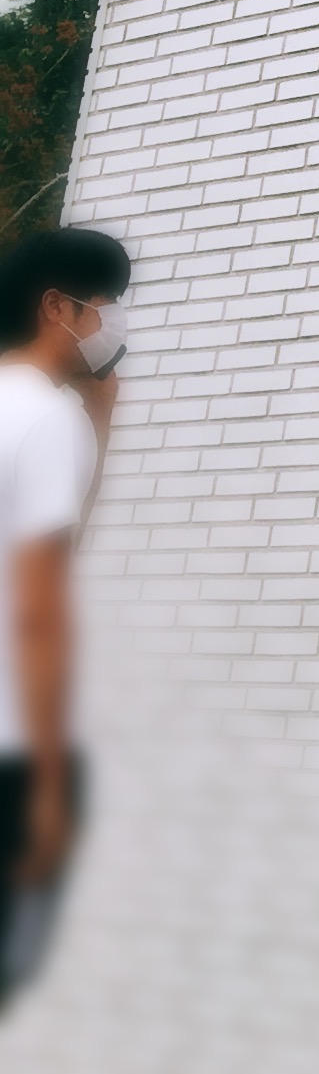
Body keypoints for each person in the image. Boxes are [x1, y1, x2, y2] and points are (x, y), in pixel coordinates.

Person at [0, 224, 129, 1007]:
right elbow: (42, 603)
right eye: (105, 304)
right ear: (58, 308)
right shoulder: (48, 420)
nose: (113, 323)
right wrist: (50, 783)